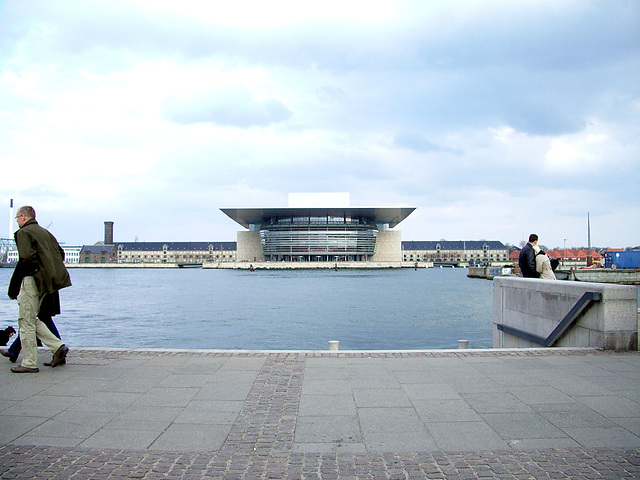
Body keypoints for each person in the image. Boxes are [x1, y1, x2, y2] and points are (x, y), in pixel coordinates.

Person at [7, 206, 71, 373]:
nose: (17, 221)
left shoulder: (24, 233)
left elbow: (26, 257)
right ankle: (58, 347)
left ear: (23, 217)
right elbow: (61, 254)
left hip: (32, 280)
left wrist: (34, 273)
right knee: (33, 318)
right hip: (46, 283)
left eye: (17, 218)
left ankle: (29, 363)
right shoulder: (46, 233)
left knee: (26, 321)